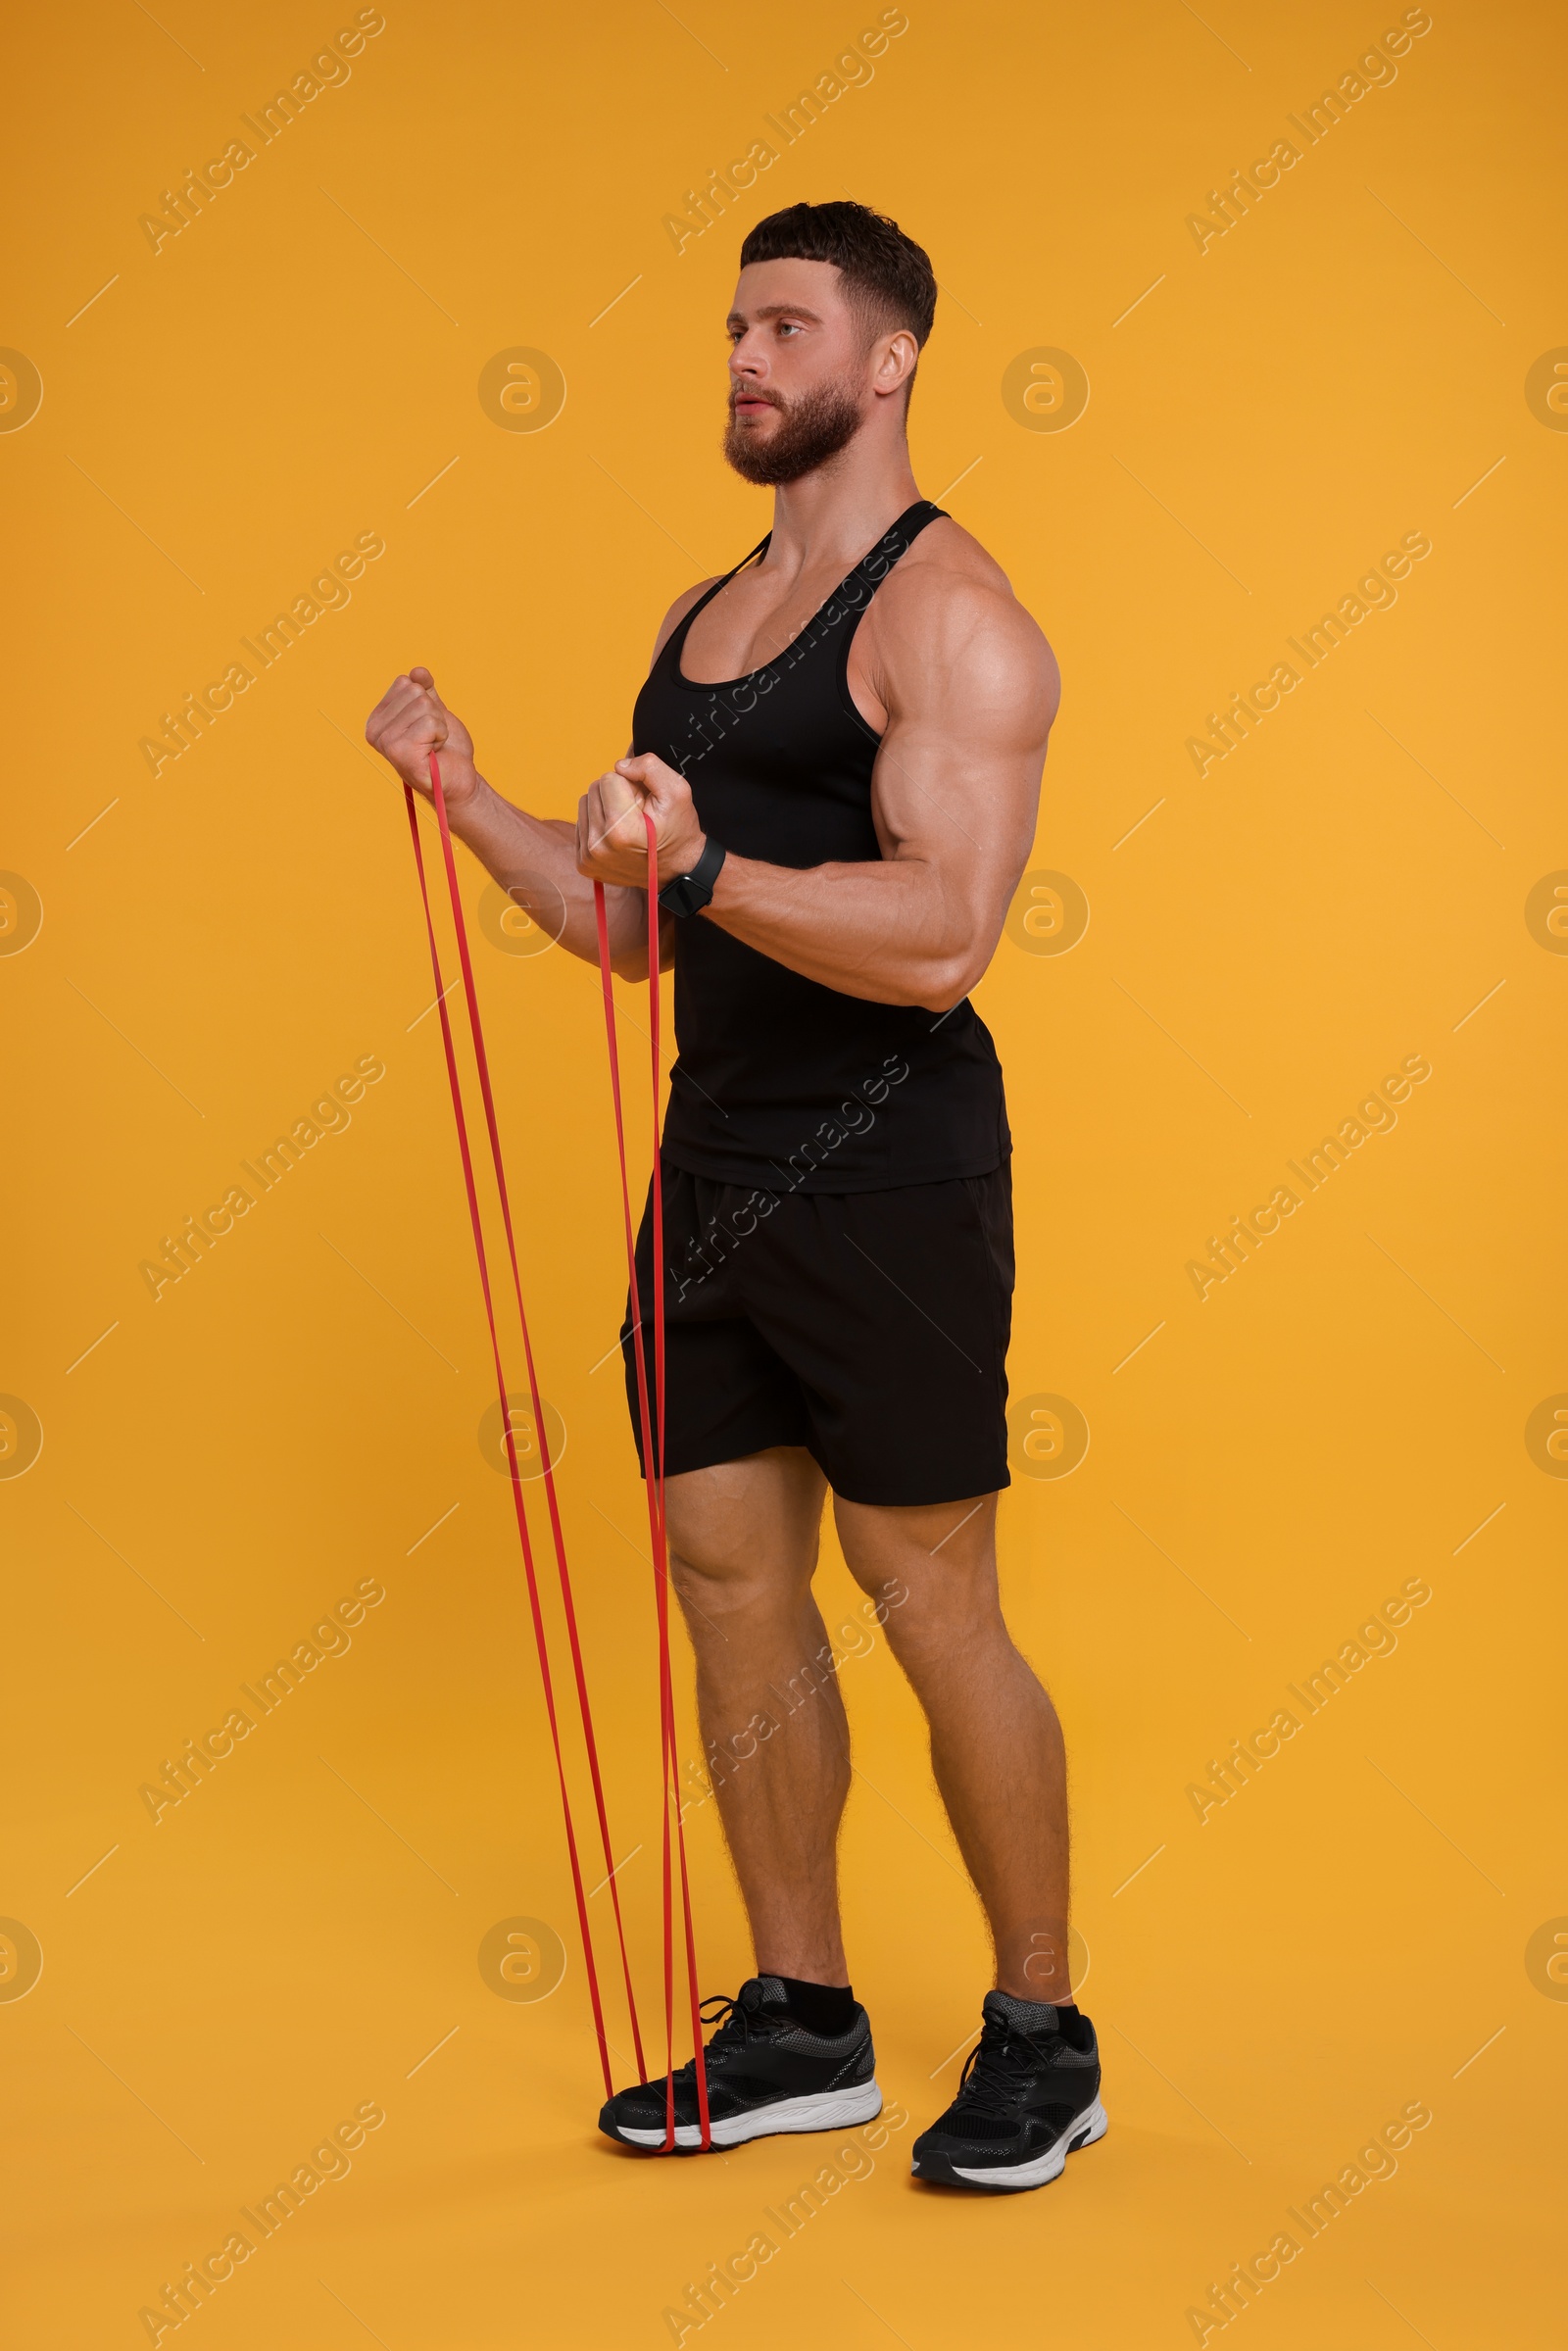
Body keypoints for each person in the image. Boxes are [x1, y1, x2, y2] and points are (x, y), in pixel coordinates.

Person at [366, 199, 1104, 2193]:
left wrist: (696, 878)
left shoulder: (949, 617)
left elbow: (943, 934)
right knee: (722, 1581)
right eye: (728, 331)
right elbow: (629, 941)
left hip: (893, 1177)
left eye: (786, 328)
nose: (745, 362)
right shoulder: (704, 625)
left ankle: (1040, 2026)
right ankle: (803, 2022)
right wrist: (473, 799)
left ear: (887, 365)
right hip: (711, 1170)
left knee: (926, 1596)